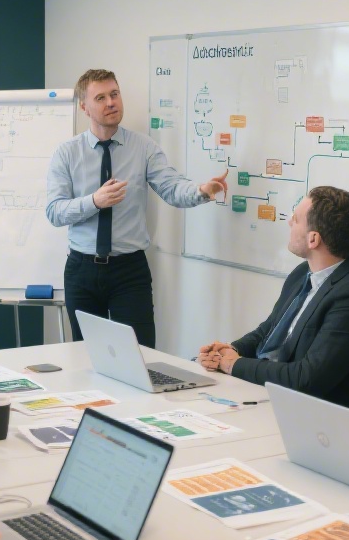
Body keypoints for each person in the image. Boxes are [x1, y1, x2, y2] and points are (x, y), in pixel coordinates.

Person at [46, 68, 228, 347]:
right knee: (86, 356)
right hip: (81, 271)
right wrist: (95, 201)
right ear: (84, 106)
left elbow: (172, 187)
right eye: (101, 97)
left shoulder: (143, 147)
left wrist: (201, 191)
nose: (111, 103)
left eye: (115, 94)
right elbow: (55, 211)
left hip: (128, 272)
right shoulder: (67, 153)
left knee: (141, 355)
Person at [197, 186, 349, 406]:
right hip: (265, 391)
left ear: (313, 239)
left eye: (296, 219)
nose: (289, 222)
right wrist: (230, 350)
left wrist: (233, 365)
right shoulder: (303, 273)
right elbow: (268, 331)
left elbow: (306, 378)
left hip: (304, 410)